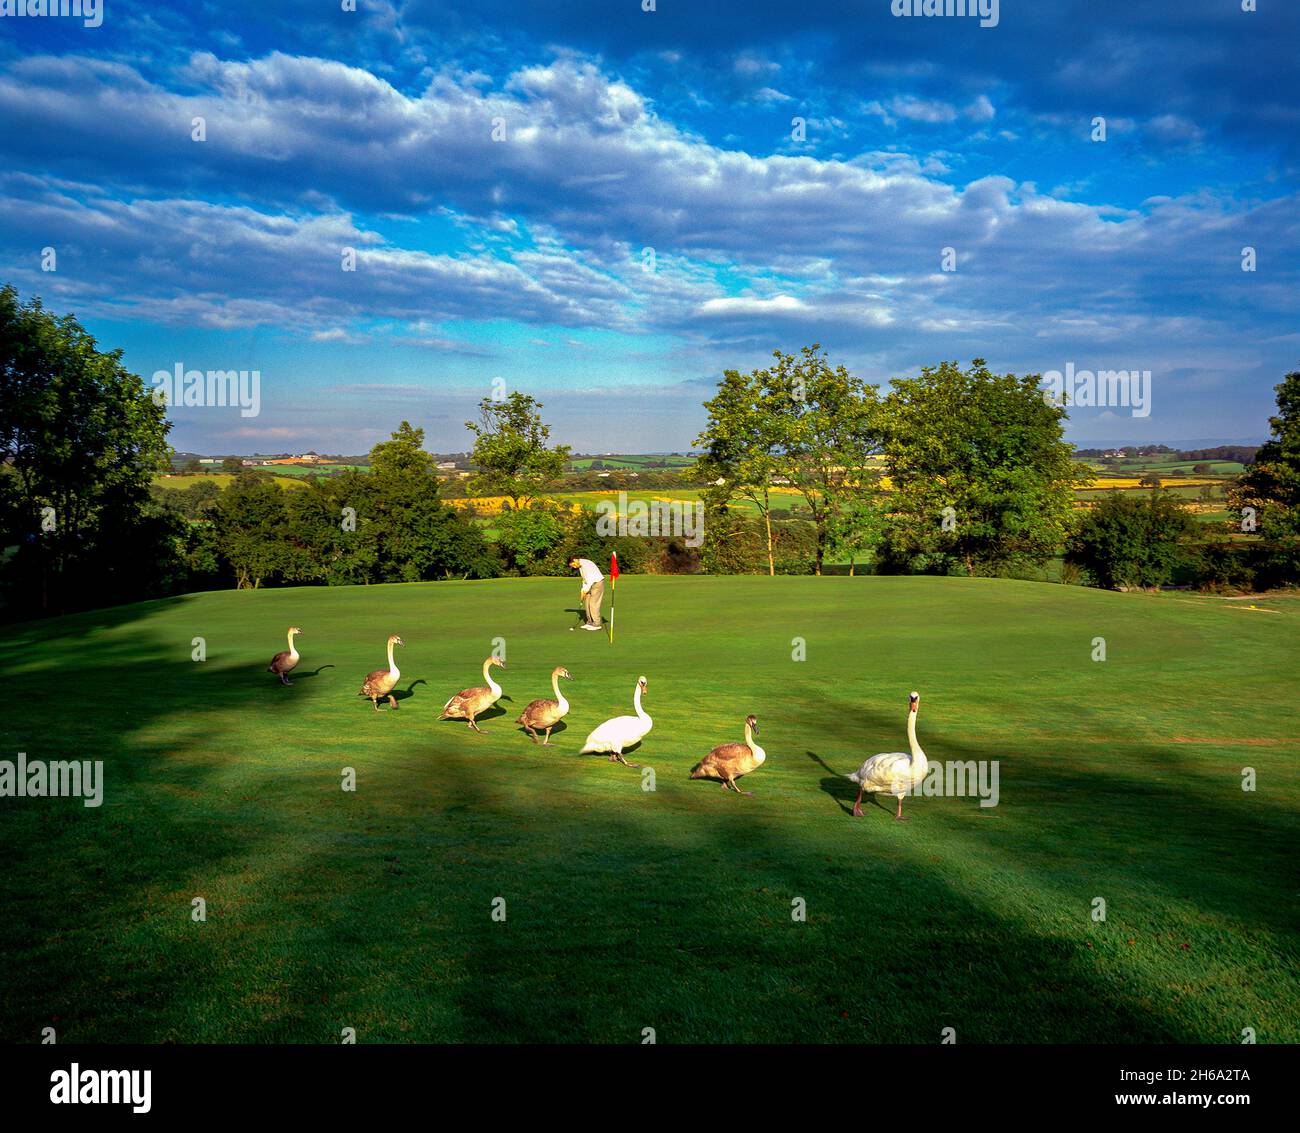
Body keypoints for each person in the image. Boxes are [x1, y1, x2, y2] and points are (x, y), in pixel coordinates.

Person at [569, 556, 604, 630]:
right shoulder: (581, 566)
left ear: (575, 560)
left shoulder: (586, 565)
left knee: (593, 603)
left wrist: (585, 591)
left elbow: (590, 580)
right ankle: (590, 622)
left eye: (573, 565)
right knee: (587, 602)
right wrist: (582, 591)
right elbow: (585, 580)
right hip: (591, 584)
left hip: (597, 583)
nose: (574, 567)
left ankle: (597, 624)